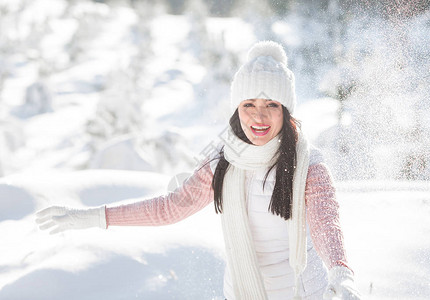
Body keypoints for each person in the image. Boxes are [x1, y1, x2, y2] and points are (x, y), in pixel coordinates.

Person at [36, 41, 361, 300]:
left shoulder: (309, 166)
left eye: (271, 105)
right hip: (240, 293)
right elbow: (169, 208)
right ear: (237, 109)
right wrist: (93, 217)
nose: (258, 118)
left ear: (286, 110)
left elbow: (325, 227)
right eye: (249, 105)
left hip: (304, 294)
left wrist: (341, 273)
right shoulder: (224, 162)